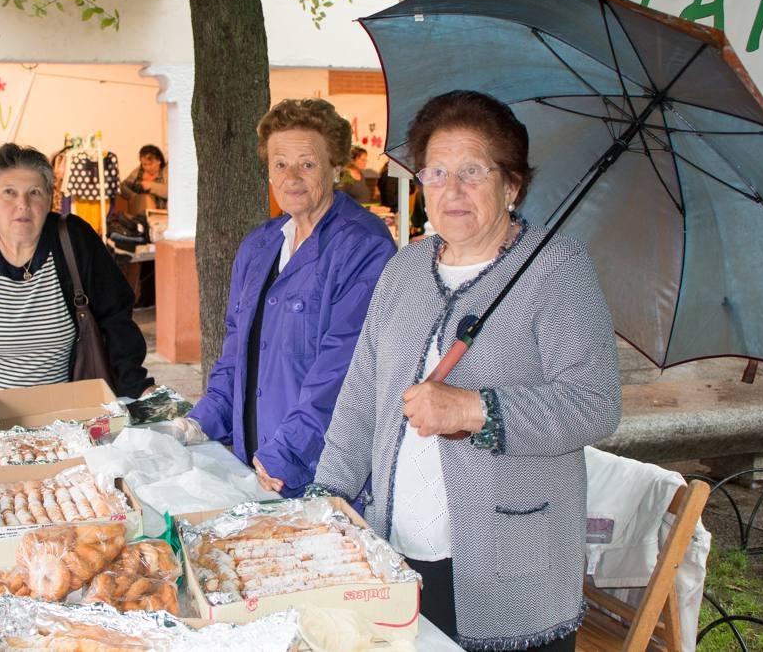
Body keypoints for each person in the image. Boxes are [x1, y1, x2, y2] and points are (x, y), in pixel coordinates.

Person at [309, 91, 622, 651]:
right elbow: (360, 398)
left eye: (472, 172)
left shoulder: (555, 269)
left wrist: (475, 407)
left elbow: (593, 404)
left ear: (512, 184)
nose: (450, 191)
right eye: (436, 172)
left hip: (511, 563)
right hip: (399, 551)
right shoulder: (404, 269)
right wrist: (328, 496)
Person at [184, 98, 397, 499]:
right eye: (280, 164)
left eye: (308, 164)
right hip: (257, 461)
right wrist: (203, 421)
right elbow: (235, 349)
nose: (291, 177)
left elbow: (344, 370)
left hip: (317, 469)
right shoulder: (259, 245)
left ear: (336, 168)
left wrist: (287, 453)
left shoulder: (364, 246)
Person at [0, 143, 153, 438]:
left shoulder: (76, 240)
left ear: (49, 199)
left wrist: (138, 384)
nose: (23, 204)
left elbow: (116, 319)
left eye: (35, 192)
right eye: (9, 192)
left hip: (62, 424)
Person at [119, 144, 168, 213]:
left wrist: (152, 186)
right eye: (144, 164)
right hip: (139, 214)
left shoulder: (166, 172)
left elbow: (172, 192)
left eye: (150, 164)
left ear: (159, 161)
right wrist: (134, 196)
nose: (147, 168)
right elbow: (123, 186)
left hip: (161, 214)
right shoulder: (138, 172)